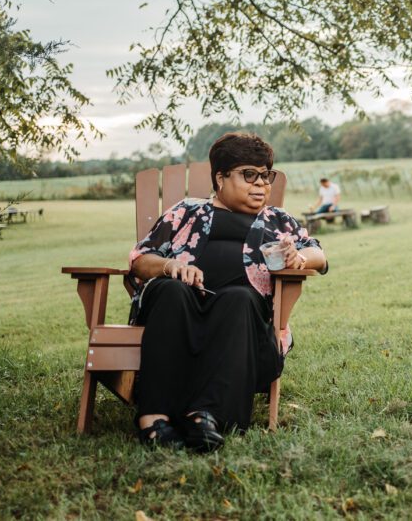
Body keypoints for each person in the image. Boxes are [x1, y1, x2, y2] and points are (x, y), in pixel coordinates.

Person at [128, 132, 327, 452]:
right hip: (177, 317)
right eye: (249, 174)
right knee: (171, 291)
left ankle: (205, 416)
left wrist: (299, 258)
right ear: (220, 178)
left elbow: (319, 255)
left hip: (242, 327)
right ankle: (154, 419)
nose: (261, 184)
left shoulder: (278, 220)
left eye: (266, 175)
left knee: (239, 297)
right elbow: (141, 260)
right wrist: (170, 267)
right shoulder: (185, 213)